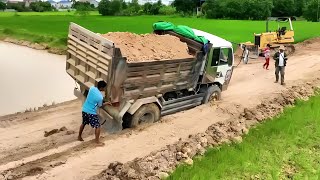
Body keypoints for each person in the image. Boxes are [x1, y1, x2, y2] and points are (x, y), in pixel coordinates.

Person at [78, 80, 107, 146]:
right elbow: (100, 105)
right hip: (91, 112)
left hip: (84, 109)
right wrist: (106, 103)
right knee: (98, 126)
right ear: (102, 88)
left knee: (83, 123)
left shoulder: (91, 88)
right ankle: (97, 141)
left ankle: (79, 136)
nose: (104, 89)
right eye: (104, 88)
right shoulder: (100, 97)